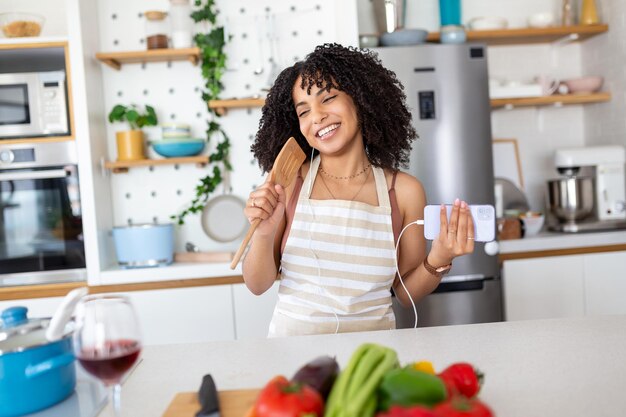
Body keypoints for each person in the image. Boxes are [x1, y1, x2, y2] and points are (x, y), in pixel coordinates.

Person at [243, 43, 474, 337]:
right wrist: (263, 233)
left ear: (361, 101)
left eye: (328, 98)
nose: (317, 117)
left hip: (372, 359)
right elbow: (257, 284)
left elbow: (405, 294)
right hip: (294, 357)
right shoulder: (288, 183)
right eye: (304, 112)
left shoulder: (403, 191)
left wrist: (440, 257)